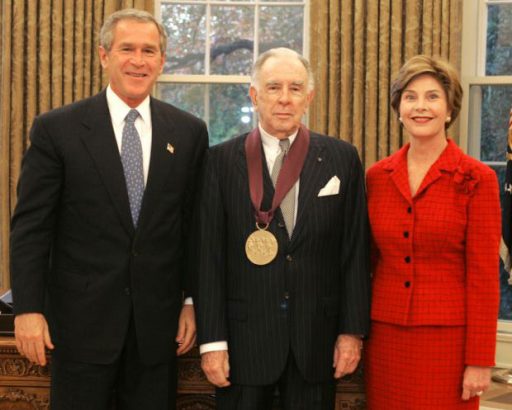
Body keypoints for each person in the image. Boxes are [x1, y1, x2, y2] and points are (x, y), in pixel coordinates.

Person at [10, 8, 208, 410]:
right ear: (104, 56)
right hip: (80, 327)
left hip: (157, 331)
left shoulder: (188, 132)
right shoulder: (57, 129)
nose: (139, 60)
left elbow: (193, 228)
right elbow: (31, 227)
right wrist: (28, 308)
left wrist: (191, 302)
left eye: (149, 51)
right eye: (127, 49)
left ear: (162, 61)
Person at [195, 47, 371, 410]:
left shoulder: (342, 158)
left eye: (295, 88)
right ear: (254, 96)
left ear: (309, 97)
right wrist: (212, 342)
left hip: (315, 341)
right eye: (274, 88)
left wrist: (351, 332)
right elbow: (207, 257)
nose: (285, 99)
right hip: (244, 342)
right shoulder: (220, 161)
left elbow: (355, 251)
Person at [364, 55, 501, 409]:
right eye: (410, 97)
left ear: (450, 108)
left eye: (432, 97)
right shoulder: (377, 177)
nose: (420, 107)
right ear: (398, 109)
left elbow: (485, 277)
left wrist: (480, 359)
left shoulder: (478, 179)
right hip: (387, 337)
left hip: (449, 343)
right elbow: (368, 262)